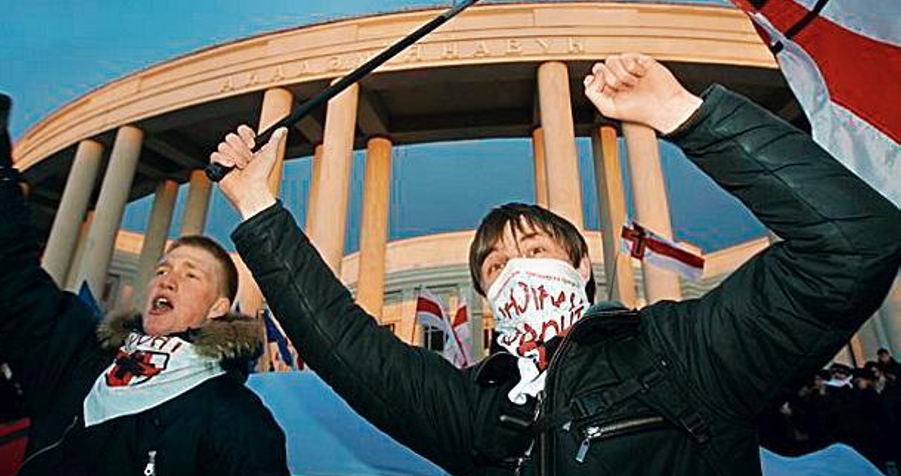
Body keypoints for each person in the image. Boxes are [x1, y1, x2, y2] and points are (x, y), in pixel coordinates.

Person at [212, 54, 901, 476]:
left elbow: (854, 244)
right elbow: (347, 345)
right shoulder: (477, 408)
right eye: (496, 268)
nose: (516, 271)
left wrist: (685, 116)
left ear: (580, 267)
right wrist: (257, 204)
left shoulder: (682, 351)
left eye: (535, 251)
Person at [0, 93, 289, 475]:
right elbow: (9, 280)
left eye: (190, 274)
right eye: (163, 270)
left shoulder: (236, 417)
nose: (169, 280)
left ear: (218, 307)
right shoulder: (81, 358)